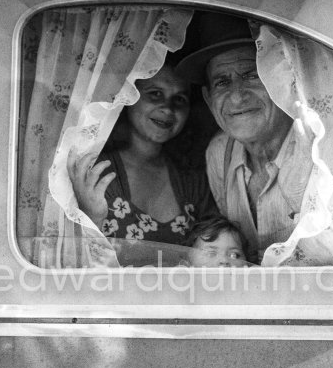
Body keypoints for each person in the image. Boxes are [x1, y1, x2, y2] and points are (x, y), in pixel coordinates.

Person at [176, 15, 318, 263]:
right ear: (209, 100)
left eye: (252, 75)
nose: (237, 96)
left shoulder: (315, 148)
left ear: (282, 83)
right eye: (222, 82)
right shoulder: (220, 152)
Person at [68, 61, 217, 245]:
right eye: (155, 94)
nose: (168, 108)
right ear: (128, 97)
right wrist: (91, 219)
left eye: (179, 99)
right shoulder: (96, 171)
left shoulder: (192, 180)